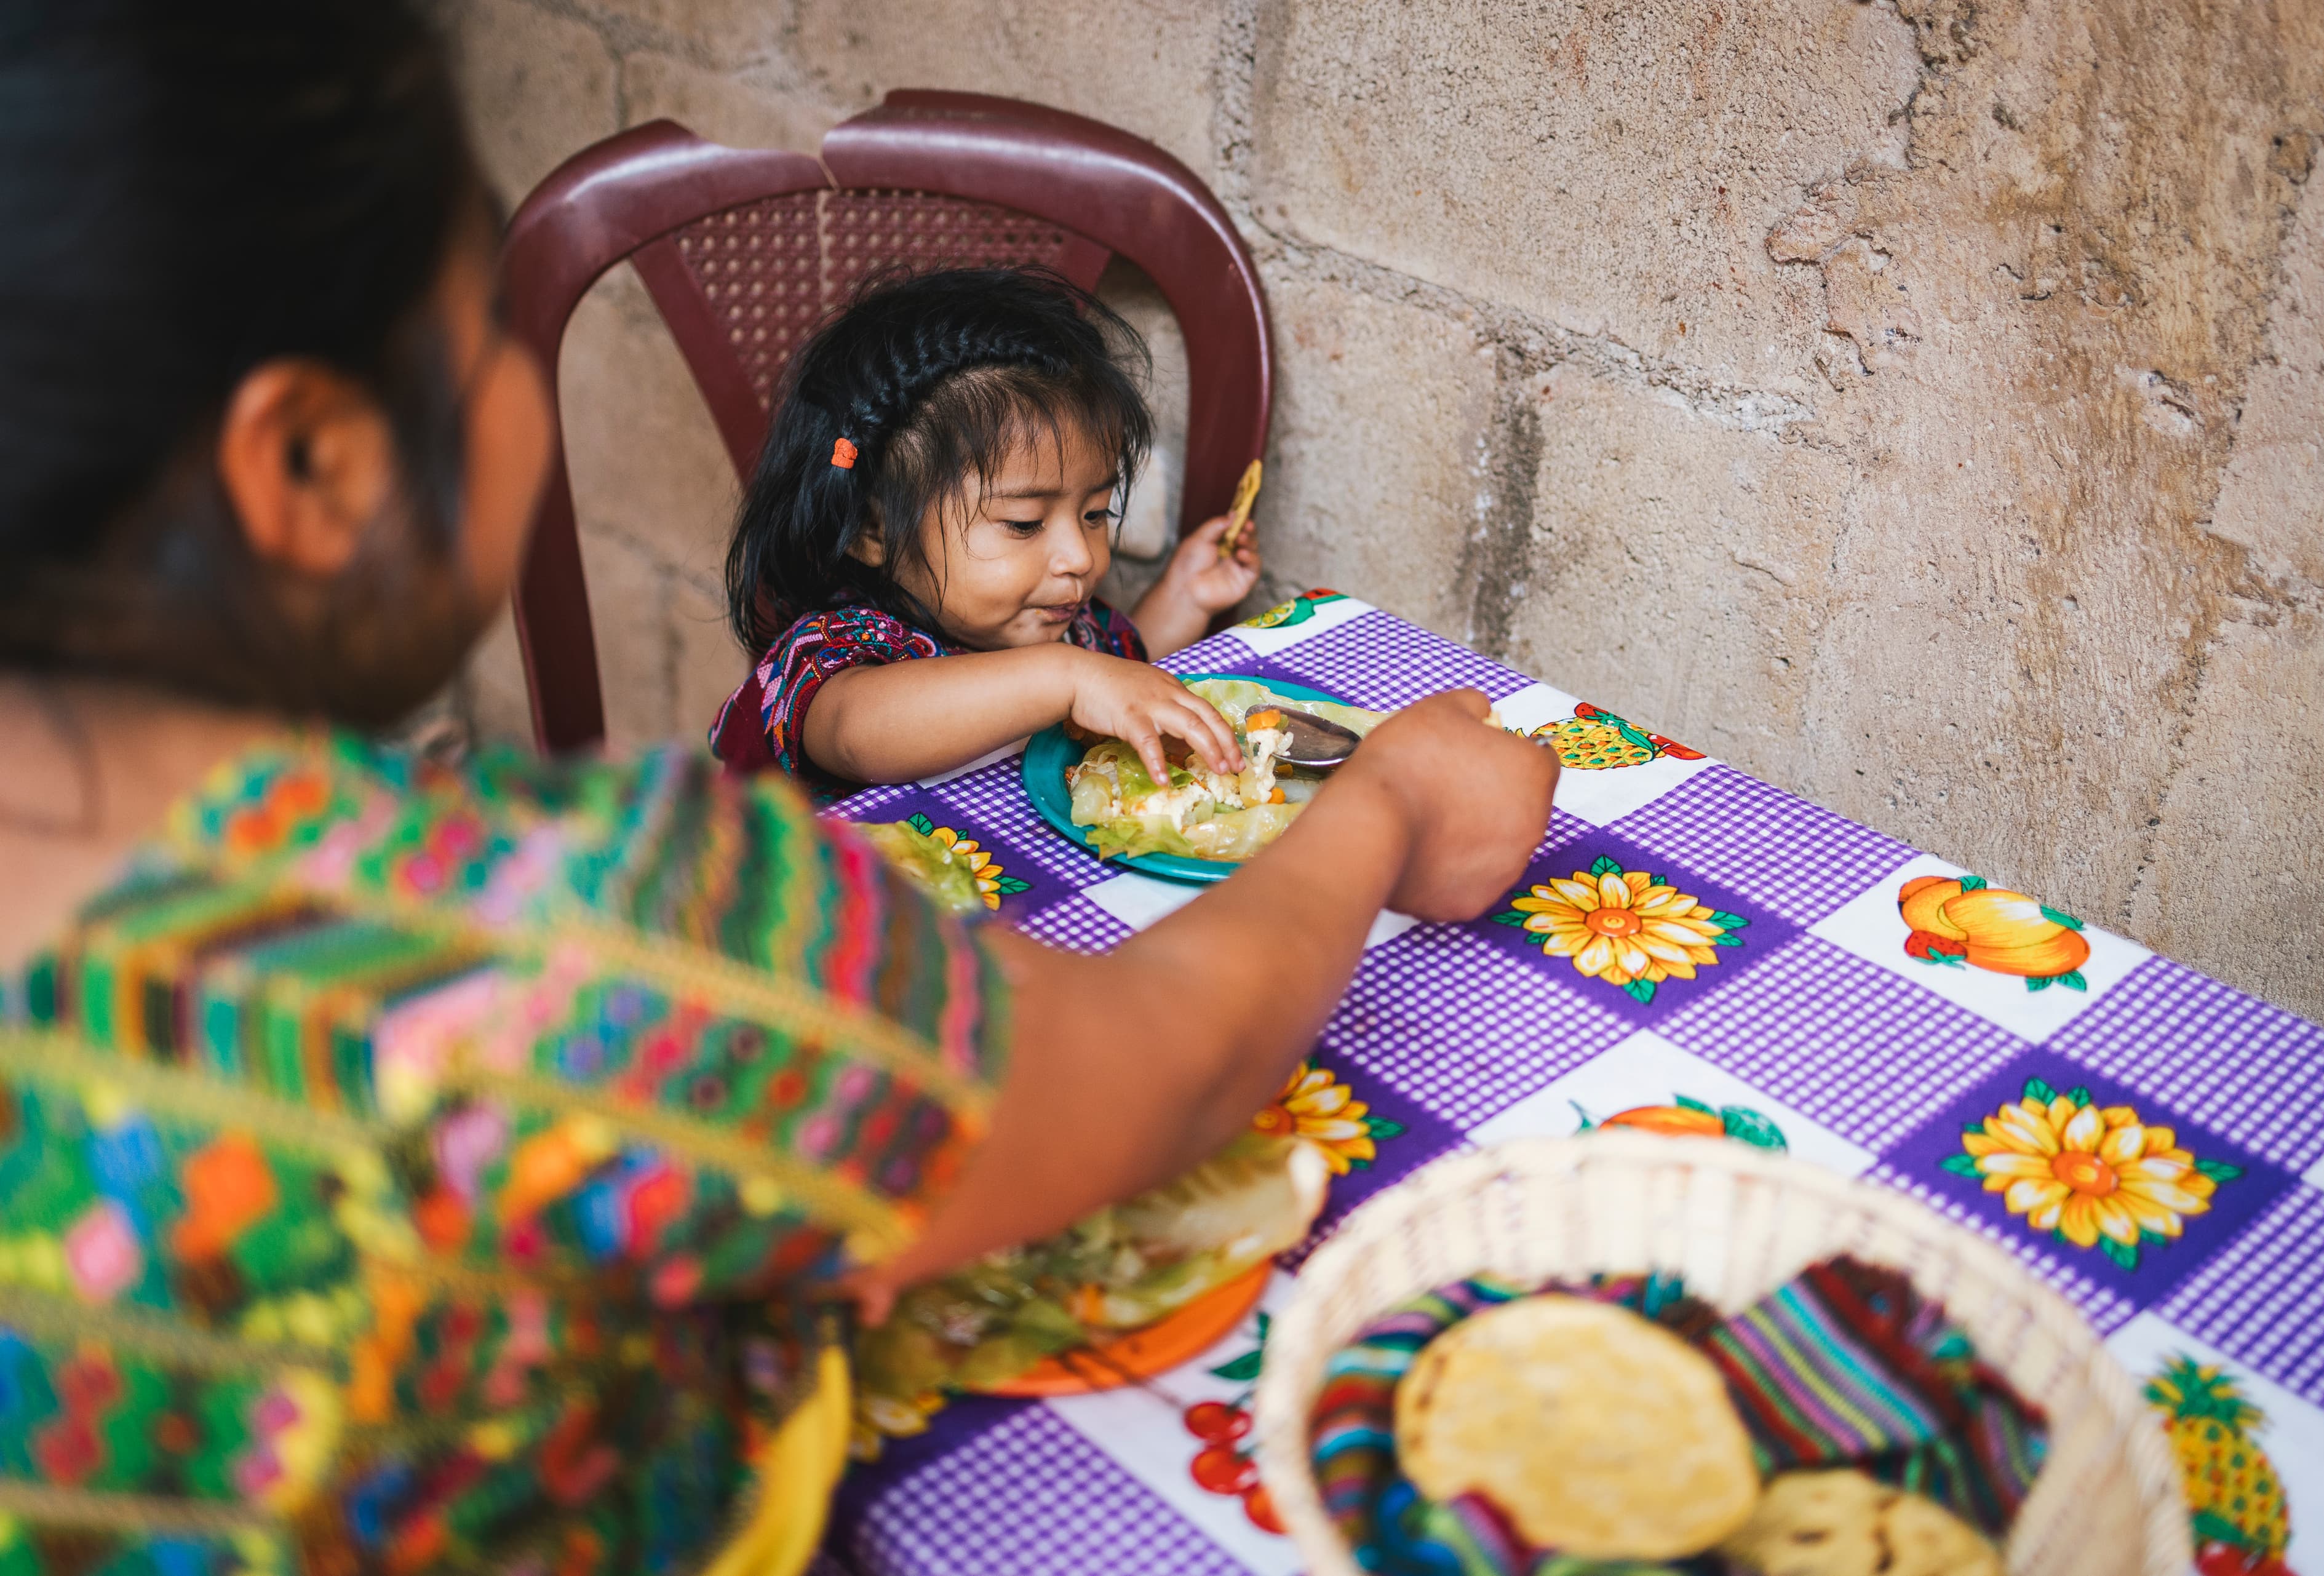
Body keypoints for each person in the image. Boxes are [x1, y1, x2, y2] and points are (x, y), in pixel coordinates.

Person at [0, 5, 1554, 1574]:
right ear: (313, 462)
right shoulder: (585, 946)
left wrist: (1144, 636)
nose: (1073, 557)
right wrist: (1390, 806)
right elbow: (1163, 1066)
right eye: (478, 318)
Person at [707, 266, 1263, 798]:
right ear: (872, 529)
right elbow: (856, 737)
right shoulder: (837, 659)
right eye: (1024, 524)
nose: (1079, 556)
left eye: (1095, 513)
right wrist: (1070, 679)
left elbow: (1124, 679)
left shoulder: (1060, 633)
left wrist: (1186, 597)